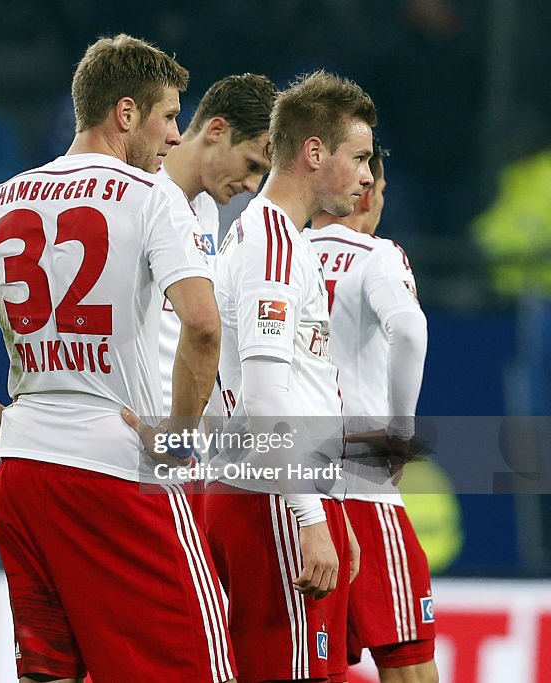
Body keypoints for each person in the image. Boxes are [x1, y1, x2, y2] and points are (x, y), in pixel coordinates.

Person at [0, 34, 236, 683]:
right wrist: (181, 436)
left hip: (21, 469)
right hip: (117, 464)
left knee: (50, 672)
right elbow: (204, 325)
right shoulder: (154, 198)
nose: (177, 137)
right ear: (125, 114)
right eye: (169, 116)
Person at [201, 71, 374, 683]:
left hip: (278, 492)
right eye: (357, 157)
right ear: (313, 152)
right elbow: (267, 394)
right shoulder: (272, 247)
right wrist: (308, 517)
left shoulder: (280, 242)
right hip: (270, 499)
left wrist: (332, 509)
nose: (366, 177)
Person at [309, 143, 437, 682]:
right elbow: (409, 330)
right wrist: (398, 433)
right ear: (364, 191)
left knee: (314, 664)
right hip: (360, 484)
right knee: (408, 664)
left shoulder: (272, 251)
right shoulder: (374, 254)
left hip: (291, 491)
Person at [158, 73, 277, 418]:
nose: (254, 186)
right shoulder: (140, 196)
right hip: (133, 432)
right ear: (216, 131)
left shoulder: (207, 209)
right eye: (252, 165)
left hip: (182, 439)